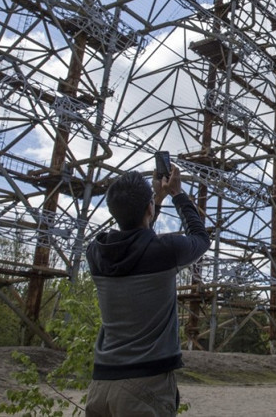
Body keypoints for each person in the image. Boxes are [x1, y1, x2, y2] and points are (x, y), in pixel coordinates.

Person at [85, 165, 210, 416]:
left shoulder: (96, 253)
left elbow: (138, 245)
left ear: (112, 210)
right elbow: (201, 239)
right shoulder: (165, 251)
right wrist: (177, 194)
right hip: (147, 384)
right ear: (149, 209)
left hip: (101, 384)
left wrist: (155, 201)